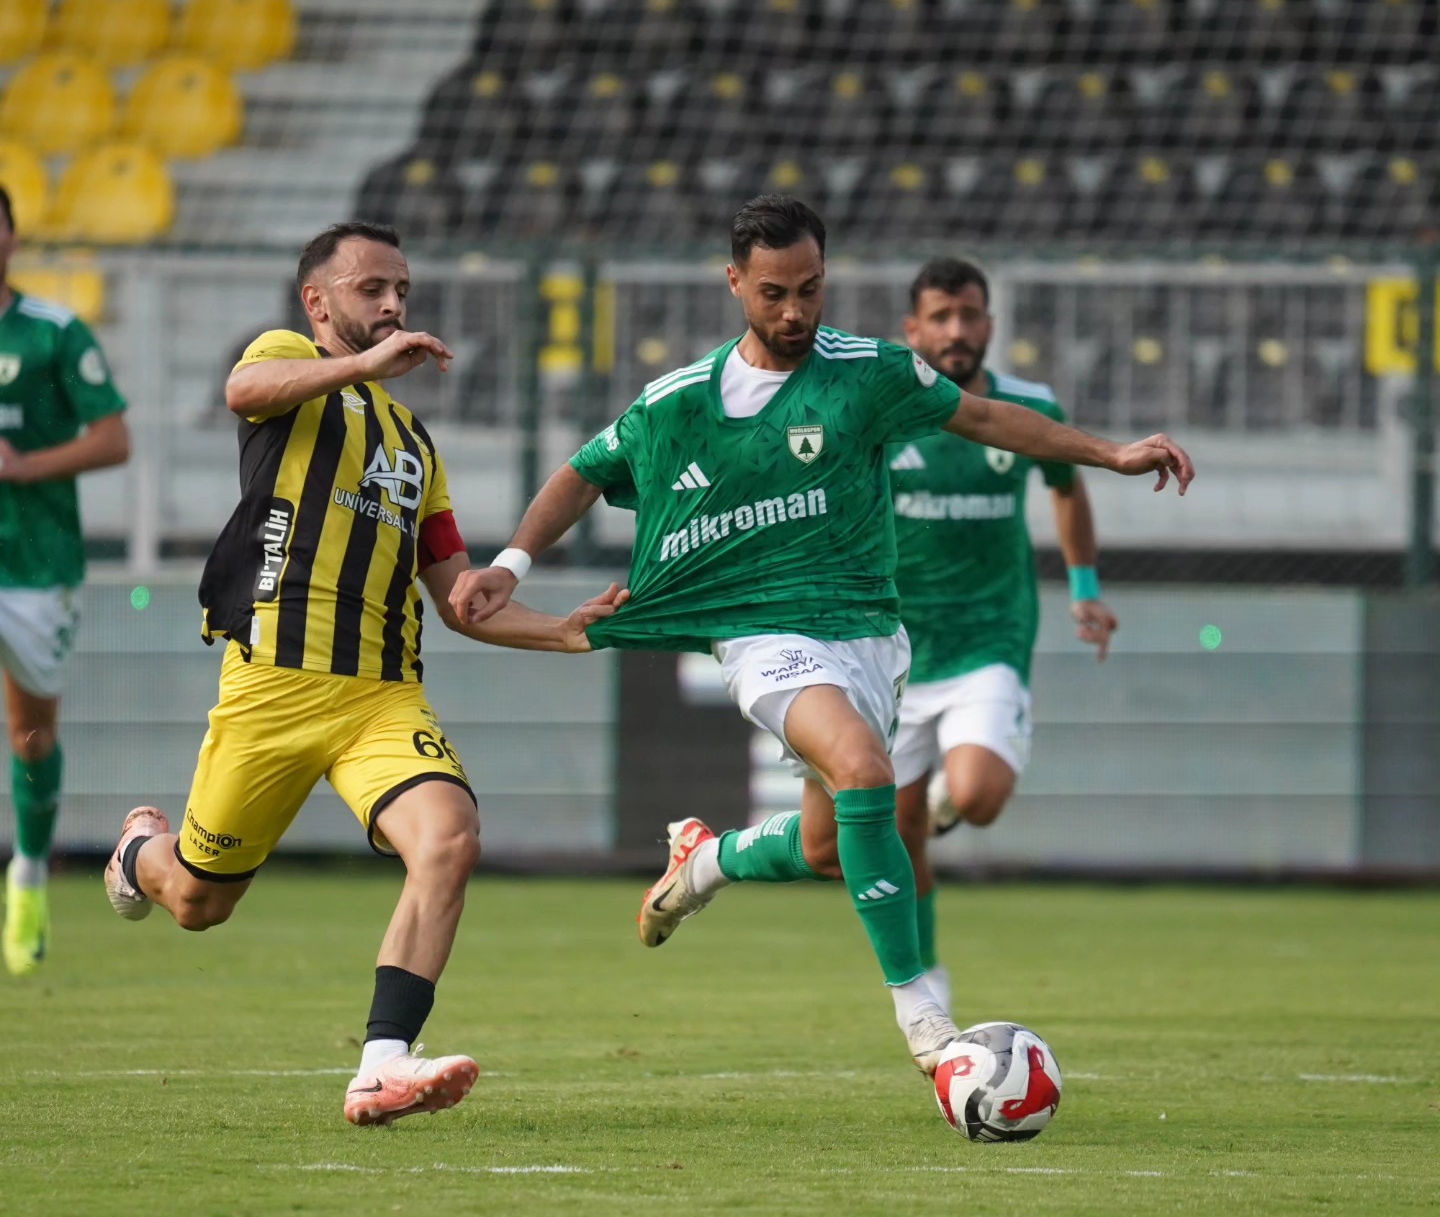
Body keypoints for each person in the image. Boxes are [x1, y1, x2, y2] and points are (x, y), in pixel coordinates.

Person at [449, 194, 1192, 1077]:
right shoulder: (681, 401)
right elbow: (582, 472)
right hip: (760, 632)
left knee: (826, 847)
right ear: (735, 283)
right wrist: (512, 564)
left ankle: (707, 861)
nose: (795, 311)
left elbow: (987, 418)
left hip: (869, 635)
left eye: (809, 289)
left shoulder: (870, 373)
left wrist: (1111, 453)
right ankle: (926, 1020)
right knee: (868, 773)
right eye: (774, 293)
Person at [103, 221, 626, 1126]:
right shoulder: (284, 358)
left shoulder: (416, 445)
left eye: (402, 291)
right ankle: (137, 852)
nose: (392, 304)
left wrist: (563, 631)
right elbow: (242, 391)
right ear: (317, 301)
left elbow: (457, 596)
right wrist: (361, 365)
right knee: (196, 902)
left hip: (381, 699)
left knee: (450, 838)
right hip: (273, 685)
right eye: (371, 288)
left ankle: (383, 1064)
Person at [888, 257, 1118, 1014]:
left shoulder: (1027, 405)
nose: (957, 330)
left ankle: (954, 793)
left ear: (989, 324)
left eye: (970, 315)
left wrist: (1084, 587)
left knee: (980, 797)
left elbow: (1066, 487)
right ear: (913, 329)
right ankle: (924, 974)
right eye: (941, 317)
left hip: (991, 636)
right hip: (894, 651)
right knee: (897, 832)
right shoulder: (887, 411)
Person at [0, 185, 131, 976]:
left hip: (35, 561)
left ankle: (28, 873)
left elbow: (114, 439)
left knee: (30, 733)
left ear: (13, 237)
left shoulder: (52, 331)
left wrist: (23, 467)